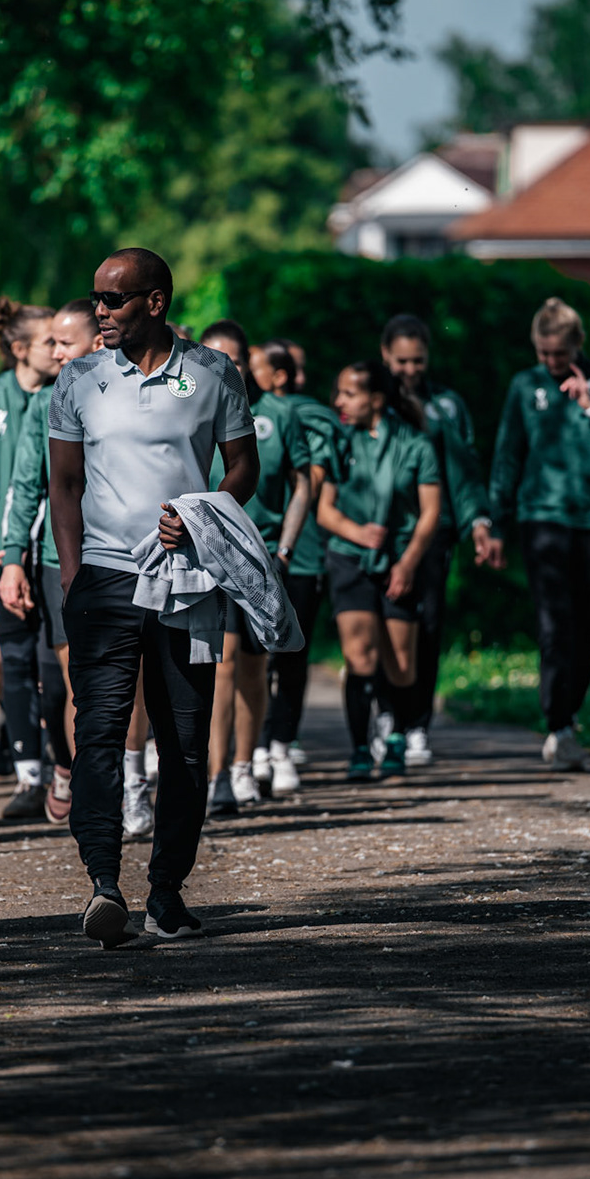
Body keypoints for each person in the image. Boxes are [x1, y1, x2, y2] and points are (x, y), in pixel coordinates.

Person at [47, 248, 258, 945]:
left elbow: (243, 468)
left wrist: (201, 514)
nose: (98, 313)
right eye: (96, 300)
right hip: (104, 579)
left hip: (187, 578)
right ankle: (104, 883)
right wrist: (74, 575)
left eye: (113, 301)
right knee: (100, 733)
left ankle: (167, 892)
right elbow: (65, 486)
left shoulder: (213, 374)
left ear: (156, 303)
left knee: (185, 745)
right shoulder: (77, 379)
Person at [488, 297, 590, 769]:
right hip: (542, 517)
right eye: (544, 354)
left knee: (587, 624)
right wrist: (496, 522)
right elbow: (508, 456)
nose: (552, 363)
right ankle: (556, 723)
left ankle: (568, 716)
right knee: (555, 621)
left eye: (559, 353)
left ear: (578, 344)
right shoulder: (525, 386)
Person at [196, 320, 312, 816]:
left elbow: (303, 484)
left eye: (236, 358)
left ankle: (244, 765)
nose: (227, 366)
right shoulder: (188, 409)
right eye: (215, 355)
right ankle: (216, 774)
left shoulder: (279, 415)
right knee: (217, 670)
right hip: (205, 557)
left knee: (252, 668)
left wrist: (284, 550)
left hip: (261, 555)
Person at [379, 315, 503, 769]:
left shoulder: (447, 407)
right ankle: (386, 713)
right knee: (384, 629)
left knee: (427, 628)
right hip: (382, 535)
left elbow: (464, 472)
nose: (411, 369)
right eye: (402, 361)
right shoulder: (373, 401)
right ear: (385, 357)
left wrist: (478, 523)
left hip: (434, 534)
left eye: (418, 360)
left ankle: (416, 723)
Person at [0, 298, 63, 821]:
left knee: (56, 669)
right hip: (3, 556)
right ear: (20, 349)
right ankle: (29, 774)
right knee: (9, 661)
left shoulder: (68, 395)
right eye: (51, 342)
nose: (60, 349)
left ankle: (63, 760)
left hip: (52, 559)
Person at [0, 299, 102, 823]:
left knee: (108, 678)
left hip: (121, 555)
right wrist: (13, 559)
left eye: (65, 343)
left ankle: (111, 781)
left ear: (98, 343)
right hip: (55, 558)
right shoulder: (44, 404)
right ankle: (67, 767)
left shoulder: (122, 397)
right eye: (52, 343)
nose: (54, 352)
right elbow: (23, 487)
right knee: (63, 681)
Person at [314, 360, 442, 782]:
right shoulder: (339, 441)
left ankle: (399, 737)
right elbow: (325, 510)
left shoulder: (417, 445)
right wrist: (357, 532)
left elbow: (430, 514)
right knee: (360, 657)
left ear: (376, 399)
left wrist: (407, 563)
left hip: (401, 560)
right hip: (349, 559)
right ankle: (357, 749)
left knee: (400, 662)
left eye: (348, 394)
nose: (339, 402)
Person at [262, 338, 334, 777]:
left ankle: (282, 741)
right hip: (255, 550)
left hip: (301, 553)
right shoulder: (238, 408)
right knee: (245, 658)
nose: (299, 378)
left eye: (299, 367)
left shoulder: (308, 416)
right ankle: (248, 747)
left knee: (290, 654)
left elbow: (320, 479)